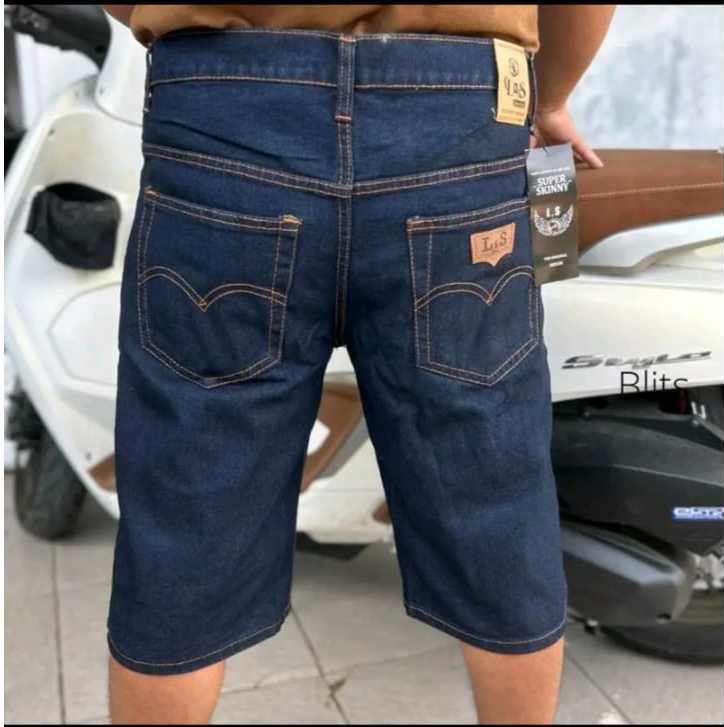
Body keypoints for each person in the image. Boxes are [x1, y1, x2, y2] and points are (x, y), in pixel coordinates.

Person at [101, 5, 615, 724]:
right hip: (460, 117)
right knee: (497, 500)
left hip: (225, 107)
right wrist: (549, 95)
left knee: (186, 522)